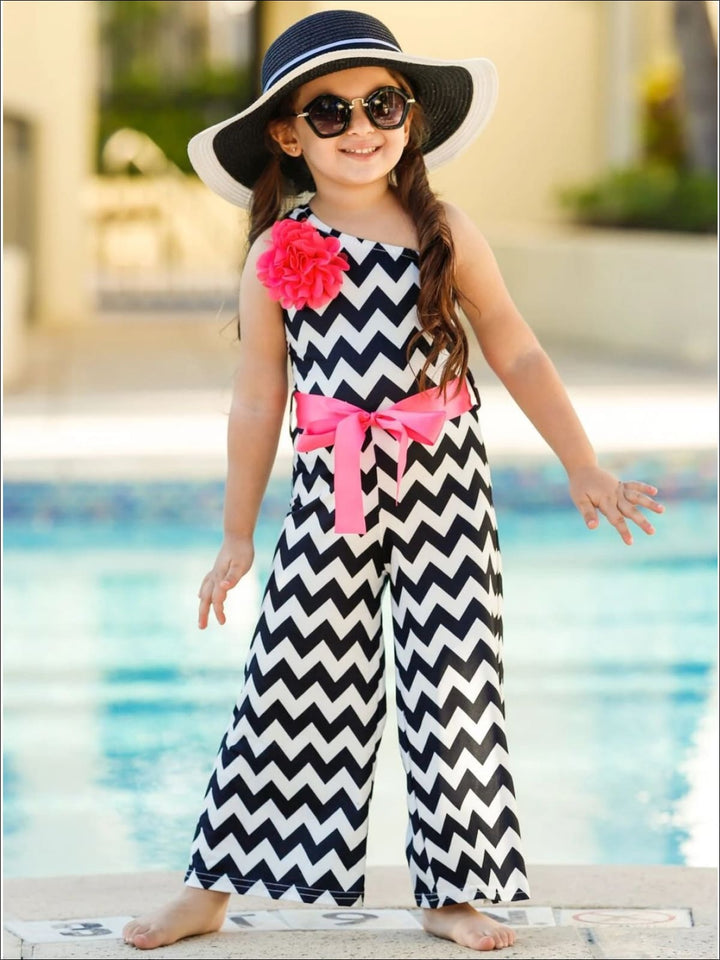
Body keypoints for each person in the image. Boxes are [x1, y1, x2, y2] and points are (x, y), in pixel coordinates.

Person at [123, 8, 664, 953]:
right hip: (332, 490)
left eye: (381, 103)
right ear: (287, 136)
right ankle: (214, 884)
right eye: (330, 112)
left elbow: (516, 348)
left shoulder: (444, 229)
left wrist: (583, 464)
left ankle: (454, 888)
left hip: (444, 489)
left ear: (410, 117)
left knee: (454, 681)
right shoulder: (279, 249)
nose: (360, 126)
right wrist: (237, 532)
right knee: (292, 675)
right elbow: (258, 398)